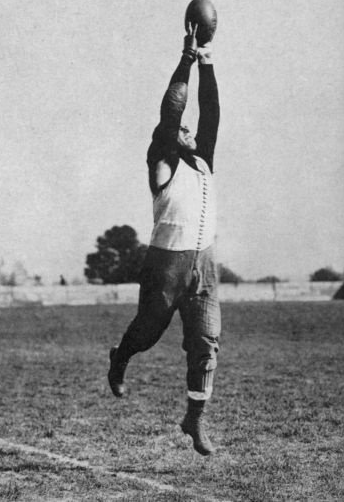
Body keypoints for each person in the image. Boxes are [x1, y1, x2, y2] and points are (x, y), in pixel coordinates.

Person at [108, 23, 221, 456]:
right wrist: (186, 57)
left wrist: (207, 60)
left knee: (206, 343)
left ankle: (194, 419)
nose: (188, 128)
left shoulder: (202, 160)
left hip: (204, 265)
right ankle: (121, 357)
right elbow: (173, 109)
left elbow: (210, 112)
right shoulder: (163, 160)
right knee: (148, 332)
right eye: (181, 127)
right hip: (166, 264)